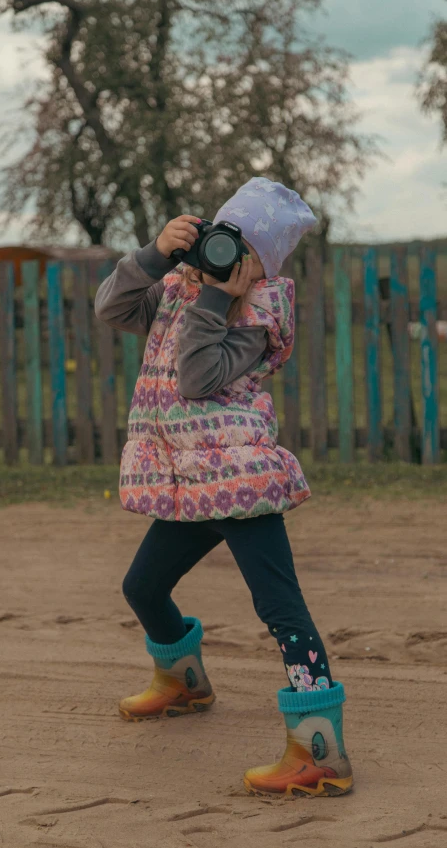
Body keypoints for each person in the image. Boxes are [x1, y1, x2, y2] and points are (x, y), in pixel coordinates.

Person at [95, 177, 353, 798]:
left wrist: (214, 303)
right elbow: (110, 308)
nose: (227, 256)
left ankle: (321, 750)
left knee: (280, 609)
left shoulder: (258, 314)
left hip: (238, 483)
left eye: (245, 249)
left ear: (263, 264)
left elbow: (196, 378)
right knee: (143, 586)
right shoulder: (174, 286)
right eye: (222, 236)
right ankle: (183, 683)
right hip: (192, 482)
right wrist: (155, 256)